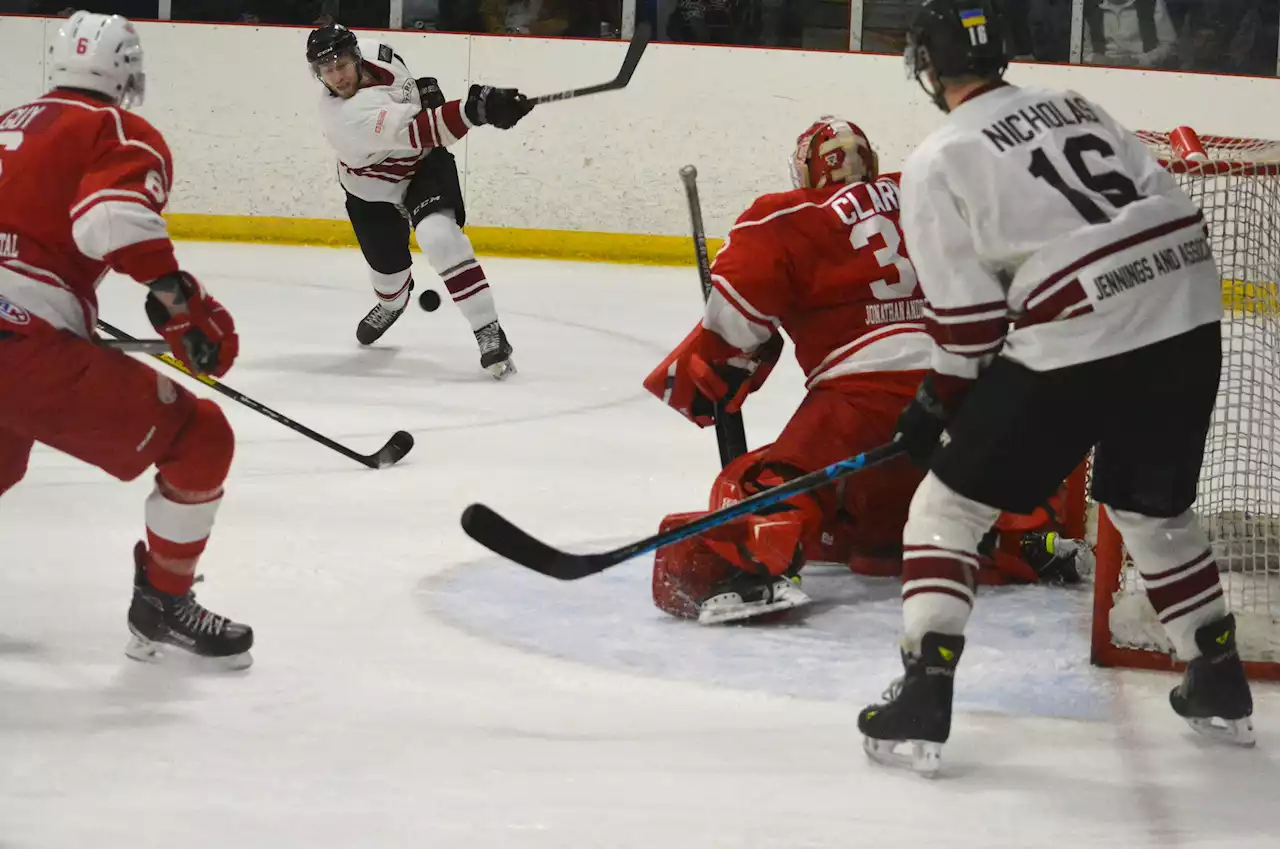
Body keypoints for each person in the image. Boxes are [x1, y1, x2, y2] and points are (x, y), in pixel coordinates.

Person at [858, 0, 1254, 776]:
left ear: (926, 69)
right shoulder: (1076, 104)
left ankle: (925, 691)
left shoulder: (940, 158)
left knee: (948, 504)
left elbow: (969, 328)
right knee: (1149, 504)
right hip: (1186, 312)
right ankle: (1217, 674)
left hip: (1084, 331)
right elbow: (1163, 205)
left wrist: (934, 404)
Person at [0, 11, 252, 667]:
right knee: (202, 439)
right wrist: (181, 306)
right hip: (19, 350)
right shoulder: (113, 128)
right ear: (128, 71)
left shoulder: (7, 122)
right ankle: (163, 604)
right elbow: (110, 217)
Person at [644, 117, 935, 624]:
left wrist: (702, 373)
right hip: (960, 392)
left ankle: (756, 564)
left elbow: (735, 323)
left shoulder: (784, 216)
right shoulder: (925, 193)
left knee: (764, 483)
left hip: (862, 401)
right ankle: (1024, 534)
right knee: (951, 489)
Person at [307, 23, 532, 379]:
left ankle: (489, 331)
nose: (336, 76)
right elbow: (424, 129)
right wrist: (477, 110)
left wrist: (431, 99)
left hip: (423, 167)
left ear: (357, 56)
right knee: (390, 281)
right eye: (326, 70)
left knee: (438, 237)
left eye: (341, 65)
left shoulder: (379, 51)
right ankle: (391, 303)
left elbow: (412, 94)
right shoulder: (345, 118)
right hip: (373, 191)